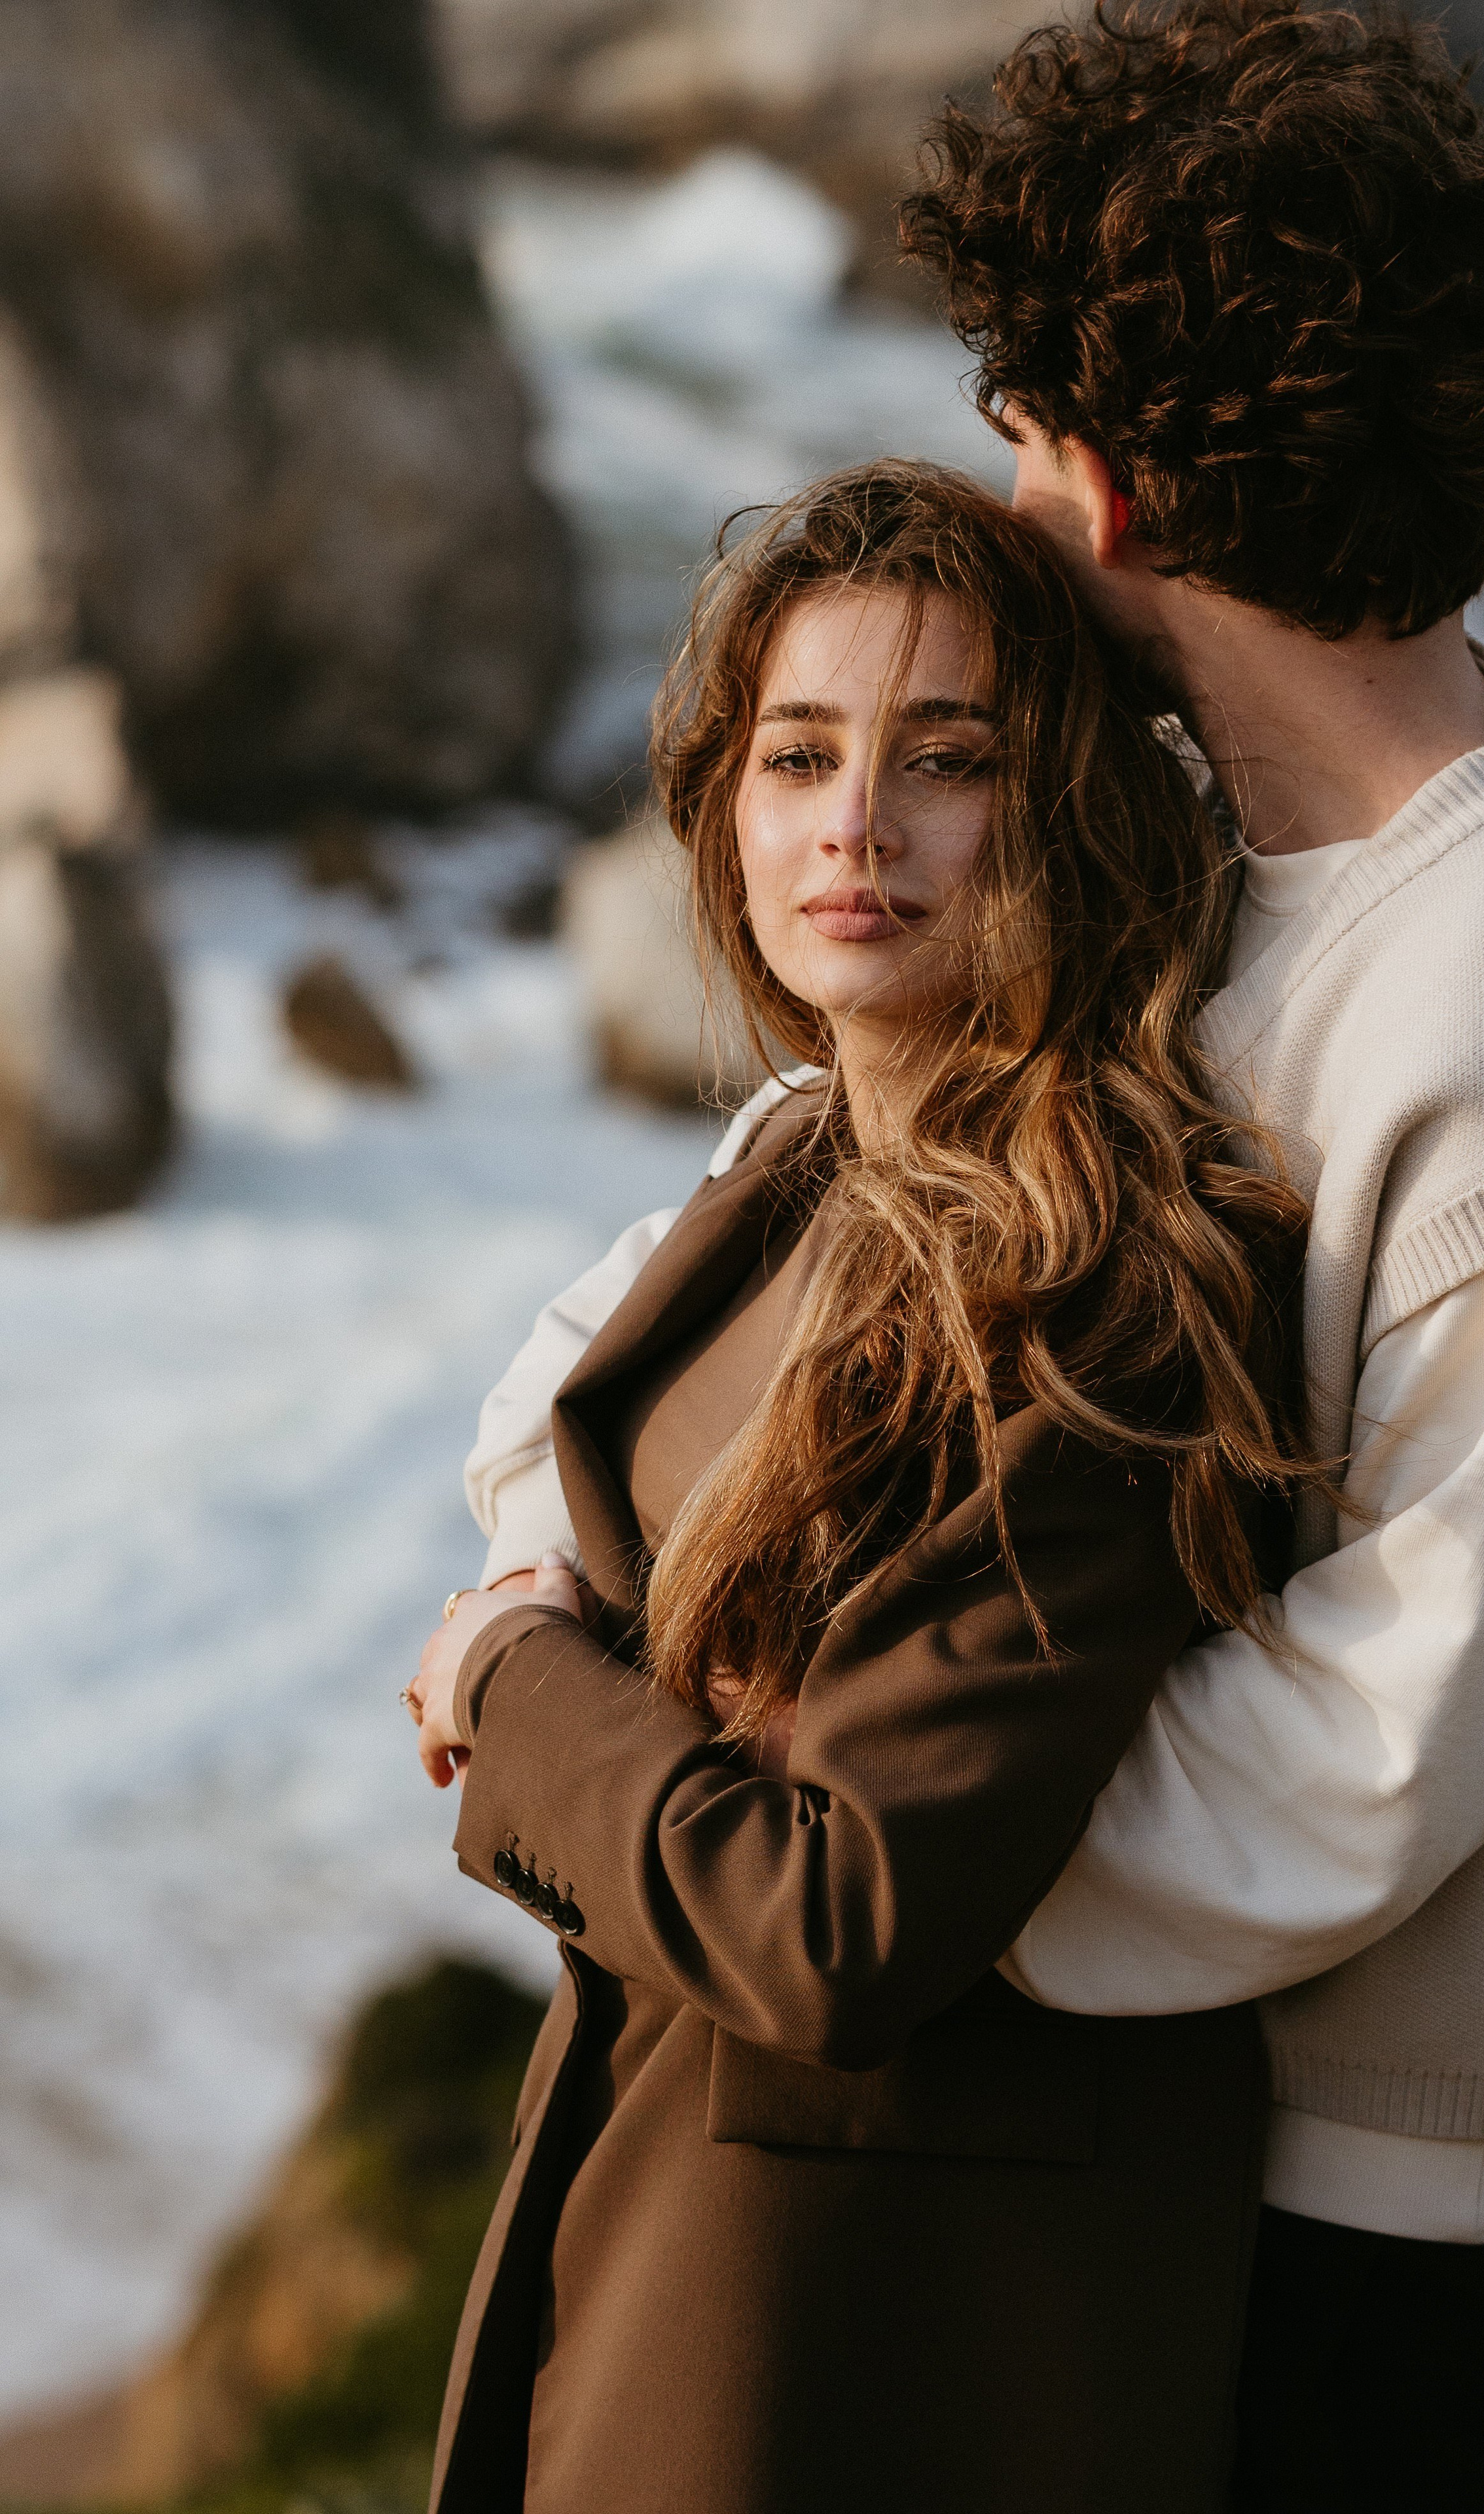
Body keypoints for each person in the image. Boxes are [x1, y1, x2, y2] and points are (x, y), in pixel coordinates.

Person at [467, 5, 1484, 2507]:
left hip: (1426, 2243)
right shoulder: (1220, 847)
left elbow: (1372, 1759)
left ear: (1116, 492)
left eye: (1021, 437)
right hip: (1176, 2145)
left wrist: (785, 1818)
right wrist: (581, 1600)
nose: (1000, 499)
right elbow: (826, 1169)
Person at [405, 462, 1313, 2514]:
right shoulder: (802, 1162)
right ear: (727, 806)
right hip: (658, 2200)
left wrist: (511, 1687)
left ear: (1066, 803)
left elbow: (833, 1918)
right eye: (800, 752)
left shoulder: (1116, 1286)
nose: (855, 827)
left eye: (947, 759)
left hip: (883, 2335)